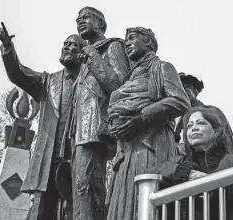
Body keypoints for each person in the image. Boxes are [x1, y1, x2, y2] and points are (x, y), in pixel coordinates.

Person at [0, 22, 86, 220]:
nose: (67, 47)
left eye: (73, 45)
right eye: (65, 44)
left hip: (77, 157)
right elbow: (18, 73)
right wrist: (8, 48)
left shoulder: (89, 82)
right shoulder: (48, 81)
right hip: (49, 158)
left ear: (82, 53)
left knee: (75, 210)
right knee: (42, 210)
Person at [106, 26, 191, 220]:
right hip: (126, 150)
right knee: (124, 204)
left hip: (152, 144)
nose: (127, 43)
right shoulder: (129, 80)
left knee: (146, 203)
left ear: (148, 42)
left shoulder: (162, 68)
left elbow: (180, 101)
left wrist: (140, 118)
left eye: (132, 38)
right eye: (125, 40)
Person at [66, 6, 130, 220]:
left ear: (101, 23)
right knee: (82, 189)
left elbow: (119, 85)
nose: (80, 22)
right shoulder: (84, 57)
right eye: (77, 19)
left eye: (85, 17)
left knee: (85, 187)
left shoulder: (111, 47)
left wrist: (93, 56)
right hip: (79, 133)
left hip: (96, 128)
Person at [155, 107, 233, 220]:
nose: (194, 128)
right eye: (189, 126)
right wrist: (181, 172)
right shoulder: (177, 162)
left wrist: (215, 185)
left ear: (216, 131)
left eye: (200, 123)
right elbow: (152, 173)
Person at [175, 72, 233, 155]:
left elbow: (228, 140)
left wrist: (232, 163)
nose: (182, 94)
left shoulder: (213, 111)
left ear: (195, 91)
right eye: (179, 91)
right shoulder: (176, 120)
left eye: (185, 89)